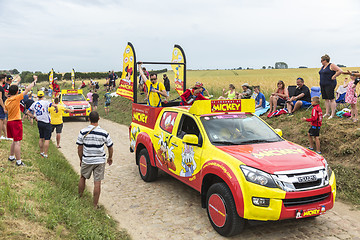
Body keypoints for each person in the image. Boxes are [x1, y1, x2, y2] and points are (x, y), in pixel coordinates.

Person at [77, 111, 113, 208]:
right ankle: (94, 205)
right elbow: (110, 146)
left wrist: (81, 159)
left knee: (82, 177)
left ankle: (79, 197)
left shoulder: (83, 132)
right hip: (100, 161)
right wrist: (110, 157)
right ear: (99, 119)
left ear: (89, 119)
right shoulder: (104, 133)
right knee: (97, 182)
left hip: (87, 159)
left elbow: (80, 148)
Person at [4, 76, 37, 166]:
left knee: (14, 141)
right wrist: (35, 81)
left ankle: (11, 156)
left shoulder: (7, 100)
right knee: (18, 141)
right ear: (17, 92)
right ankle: (19, 161)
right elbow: (28, 89)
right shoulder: (17, 98)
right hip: (16, 121)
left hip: (9, 122)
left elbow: (5, 111)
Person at [28, 90, 56, 158]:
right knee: (47, 139)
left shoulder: (34, 103)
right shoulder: (46, 102)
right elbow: (54, 105)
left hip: (39, 122)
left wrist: (34, 117)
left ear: (37, 96)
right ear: (43, 96)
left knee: (41, 138)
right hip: (46, 122)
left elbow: (28, 112)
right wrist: (56, 107)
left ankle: (41, 152)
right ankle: (45, 154)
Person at [319, 54, 343, 119]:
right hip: (323, 84)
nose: (321, 62)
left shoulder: (331, 65)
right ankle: (327, 113)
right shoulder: (322, 67)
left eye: (322, 61)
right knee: (326, 99)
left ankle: (332, 113)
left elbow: (340, 71)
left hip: (330, 84)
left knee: (331, 99)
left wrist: (334, 76)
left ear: (325, 60)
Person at [0, 74, 8, 141]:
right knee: (1, 120)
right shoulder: (0, 88)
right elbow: (0, 98)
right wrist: (3, 107)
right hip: (0, 106)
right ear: (2, 79)